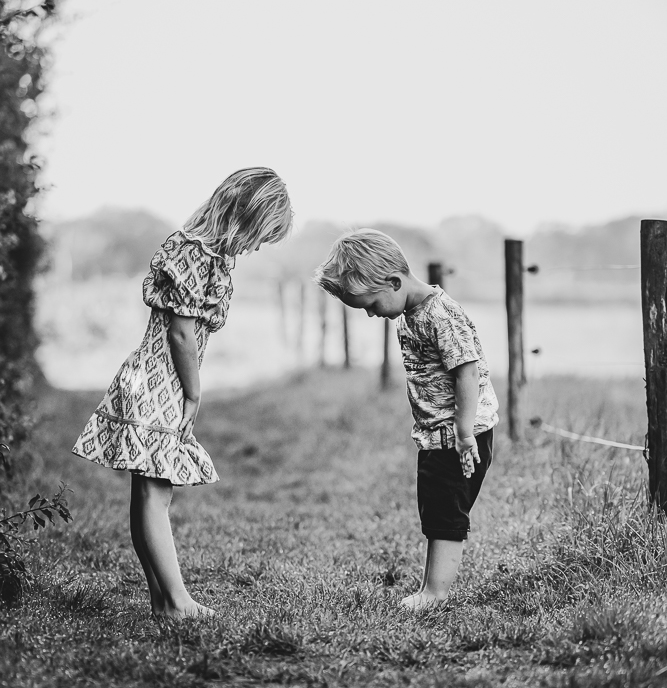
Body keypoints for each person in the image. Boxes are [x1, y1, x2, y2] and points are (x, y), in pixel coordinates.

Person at [72, 168, 292, 618]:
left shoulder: (195, 249)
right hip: (161, 381)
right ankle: (178, 600)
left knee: (150, 492)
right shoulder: (196, 252)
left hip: (150, 377)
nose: (254, 247)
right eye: (259, 236)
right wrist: (193, 392)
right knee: (155, 493)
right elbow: (181, 334)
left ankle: (161, 599)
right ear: (244, 217)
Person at [314, 228, 498, 610]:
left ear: (394, 282)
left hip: (458, 434)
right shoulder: (409, 312)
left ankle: (435, 594)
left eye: (371, 304)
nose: (369, 313)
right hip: (437, 434)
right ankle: (432, 587)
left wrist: (464, 432)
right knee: (434, 507)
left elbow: (467, 370)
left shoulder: (440, 315)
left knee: (446, 512)